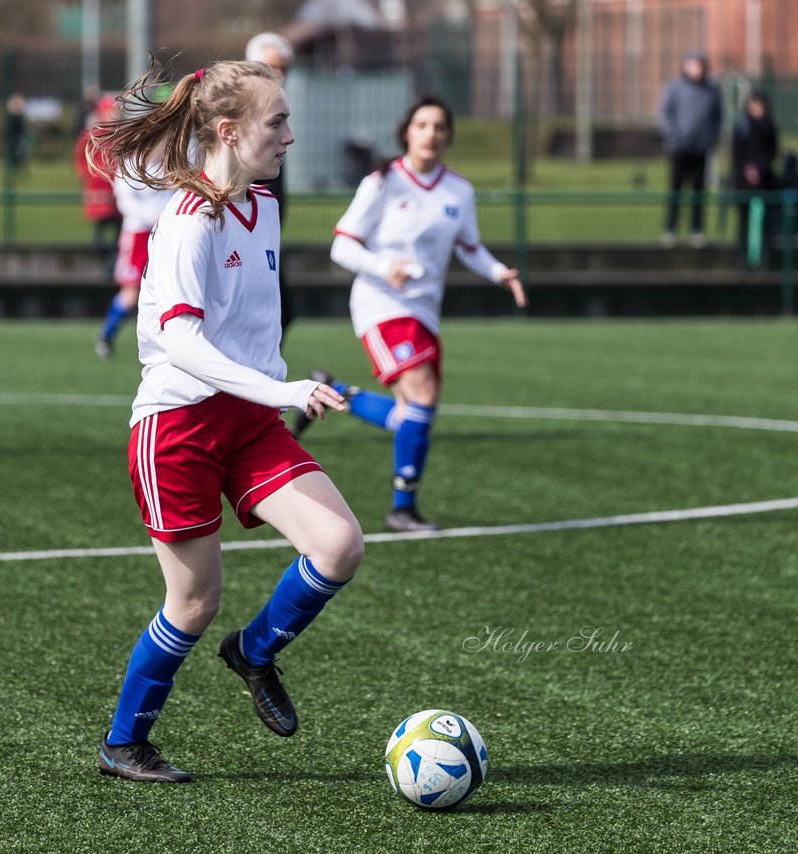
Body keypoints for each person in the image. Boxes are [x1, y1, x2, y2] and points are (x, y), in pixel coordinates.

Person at [95, 59, 363, 783]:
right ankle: (125, 744)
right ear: (227, 130)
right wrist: (281, 391)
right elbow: (181, 341)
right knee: (193, 600)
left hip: (247, 419)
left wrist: (272, 389)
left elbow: (248, 327)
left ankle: (255, 652)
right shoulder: (187, 221)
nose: (290, 135)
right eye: (277, 122)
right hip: (177, 431)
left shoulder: (264, 205)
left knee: (338, 547)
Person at [294, 95, 526, 532]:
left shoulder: (459, 190)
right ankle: (402, 508)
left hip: (424, 311)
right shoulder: (383, 182)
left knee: (412, 415)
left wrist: (500, 273)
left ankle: (329, 390)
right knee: (422, 394)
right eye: (423, 125)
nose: (431, 134)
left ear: (448, 136)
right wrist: (385, 267)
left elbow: (470, 246)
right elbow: (342, 245)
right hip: (380, 304)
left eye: (440, 127)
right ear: (407, 132)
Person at [94, 160, 176, 360]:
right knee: (130, 292)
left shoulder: (172, 161)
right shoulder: (129, 165)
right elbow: (125, 202)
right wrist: (153, 216)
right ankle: (107, 334)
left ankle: (169, 343)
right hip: (138, 235)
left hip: (165, 233)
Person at [245, 32, 296, 340]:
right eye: (271, 66)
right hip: (242, 232)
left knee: (281, 312)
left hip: (264, 233)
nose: (278, 75)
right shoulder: (244, 115)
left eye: (284, 68)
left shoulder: (273, 108)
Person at [659, 50, 722, 248]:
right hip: (679, 148)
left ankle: (697, 230)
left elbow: (718, 118)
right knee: (675, 190)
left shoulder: (712, 90)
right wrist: (674, 135)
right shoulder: (675, 87)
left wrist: (711, 138)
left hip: (701, 148)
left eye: (700, 65)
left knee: (699, 192)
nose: (697, 70)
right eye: (694, 65)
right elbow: (664, 114)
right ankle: (670, 229)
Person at [730, 90, 779, 269]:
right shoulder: (742, 127)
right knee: (743, 222)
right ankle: (742, 262)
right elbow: (737, 154)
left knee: (766, 223)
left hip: (764, 182)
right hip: (743, 183)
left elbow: (772, 151)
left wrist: (759, 168)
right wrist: (748, 170)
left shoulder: (769, 126)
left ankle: (765, 262)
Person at [74, 94, 122, 273]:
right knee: (101, 232)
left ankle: (111, 264)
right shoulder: (92, 136)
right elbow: (81, 159)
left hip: (116, 192)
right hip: (100, 189)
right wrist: (91, 175)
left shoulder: (120, 136)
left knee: (117, 234)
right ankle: (106, 262)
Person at [5, 93, 30, 174]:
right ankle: (13, 166)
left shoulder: (19, 116)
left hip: (18, 136)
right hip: (13, 136)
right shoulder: (12, 116)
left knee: (20, 152)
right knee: (13, 152)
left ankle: (18, 166)